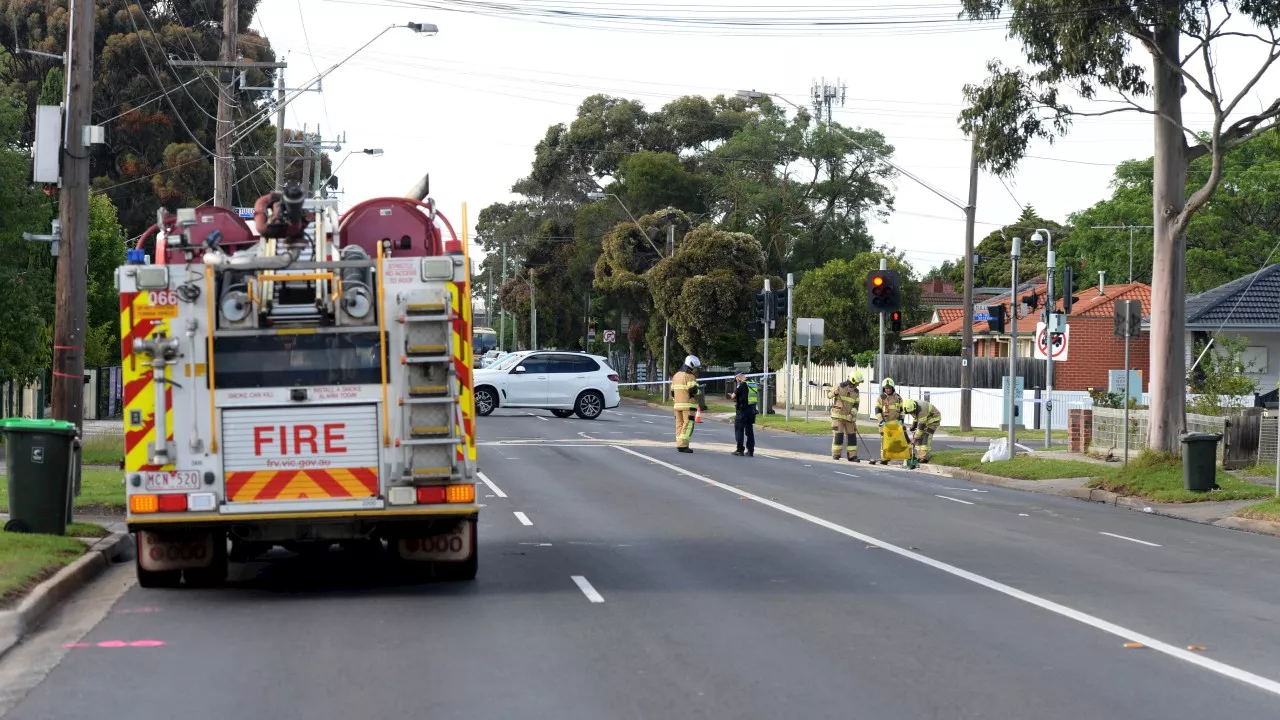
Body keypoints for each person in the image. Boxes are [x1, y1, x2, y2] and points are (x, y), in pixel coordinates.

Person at [671, 355, 704, 453]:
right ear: (692, 365)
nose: (695, 370)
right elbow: (693, 390)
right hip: (688, 405)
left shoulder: (676, 375)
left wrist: (675, 400)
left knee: (679, 425)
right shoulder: (690, 376)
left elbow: (672, 391)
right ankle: (683, 445)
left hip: (677, 405)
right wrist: (699, 390)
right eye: (695, 368)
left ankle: (679, 443)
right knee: (688, 425)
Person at [827, 370, 863, 461]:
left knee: (852, 437)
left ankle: (852, 456)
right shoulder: (840, 386)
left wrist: (852, 414)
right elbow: (829, 395)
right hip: (838, 416)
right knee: (838, 435)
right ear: (853, 380)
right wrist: (834, 393)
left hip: (849, 418)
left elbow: (856, 405)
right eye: (857, 382)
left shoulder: (856, 392)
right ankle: (836, 454)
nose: (858, 384)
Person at [873, 377, 904, 465]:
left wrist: (901, 419)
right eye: (886, 388)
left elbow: (902, 410)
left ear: (892, 388)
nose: (888, 390)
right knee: (884, 442)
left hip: (895, 424)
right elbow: (877, 411)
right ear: (884, 389)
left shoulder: (898, 398)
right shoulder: (881, 398)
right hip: (884, 424)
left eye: (889, 388)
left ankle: (894, 458)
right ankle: (884, 459)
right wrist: (881, 421)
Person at [902, 399, 942, 463]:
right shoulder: (913, 407)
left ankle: (924, 457)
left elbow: (921, 427)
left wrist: (914, 438)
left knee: (926, 436)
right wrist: (914, 426)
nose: (911, 413)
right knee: (919, 438)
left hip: (933, 420)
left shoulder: (921, 410)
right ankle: (920, 456)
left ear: (914, 407)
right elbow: (916, 417)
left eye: (911, 412)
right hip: (925, 420)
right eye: (909, 413)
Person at [731, 373, 757, 457]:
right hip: (751, 411)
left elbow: (733, 396)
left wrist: (733, 395)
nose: (736, 380)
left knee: (739, 430)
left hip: (742, 411)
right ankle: (750, 451)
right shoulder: (752, 383)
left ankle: (740, 450)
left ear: (738, 376)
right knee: (749, 431)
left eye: (736, 378)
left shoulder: (741, 385)